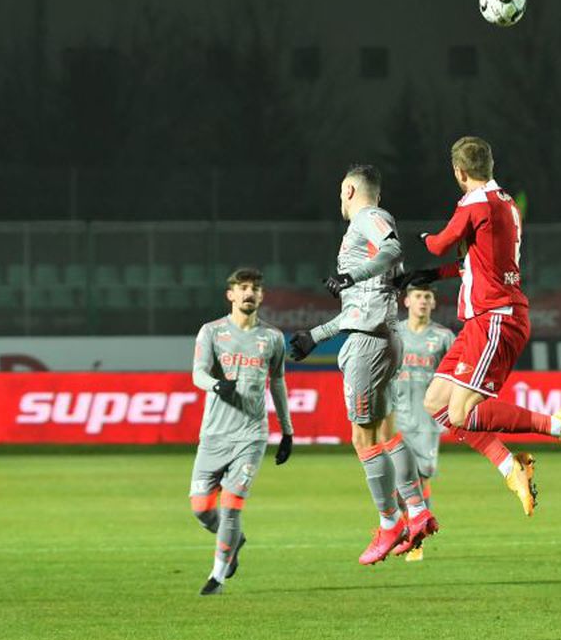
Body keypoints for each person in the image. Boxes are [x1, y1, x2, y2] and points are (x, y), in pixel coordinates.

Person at [398, 137, 561, 508]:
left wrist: (423, 238)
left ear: (459, 172)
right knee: (436, 404)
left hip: (496, 318)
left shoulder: (475, 203)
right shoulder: (505, 203)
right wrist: (433, 275)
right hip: (482, 318)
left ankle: (558, 426)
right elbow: (477, 262)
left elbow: (441, 243)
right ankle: (510, 467)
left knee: (460, 412)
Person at [288, 165, 435, 566]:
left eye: (341, 192)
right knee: (385, 430)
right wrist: (314, 336)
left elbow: (391, 253)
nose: (340, 199)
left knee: (362, 438)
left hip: (369, 345)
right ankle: (417, 511)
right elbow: (368, 302)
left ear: (350, 189)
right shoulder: (376, 225)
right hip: (382, 338)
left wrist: (349, 275)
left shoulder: (367, 219)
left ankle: (391, 522)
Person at [189, 266, 293, 596]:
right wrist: (217, 385)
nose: (249, 293)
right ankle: (233, 541)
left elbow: (277, 382)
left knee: (232, 506)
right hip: (214, 434)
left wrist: (287, 431)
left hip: (251, 435)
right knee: (201, 508)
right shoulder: (211, 332)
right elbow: (197, 373)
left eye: (255, 288)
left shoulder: (272, 338)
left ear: (261, 296)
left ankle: (218, 576)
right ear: (230, 294)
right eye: (243, 287)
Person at [385, 284, 457, 562]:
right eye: (418, 296)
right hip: (396, 418)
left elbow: (455, 376)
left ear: (434, 303)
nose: (423, 301)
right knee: (398, 483)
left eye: (428, 297)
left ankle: (418, 540)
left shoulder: (443, 337)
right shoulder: (395, 333)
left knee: (420, 479)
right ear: (407, 301)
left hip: (427, 421)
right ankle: (407, 531)